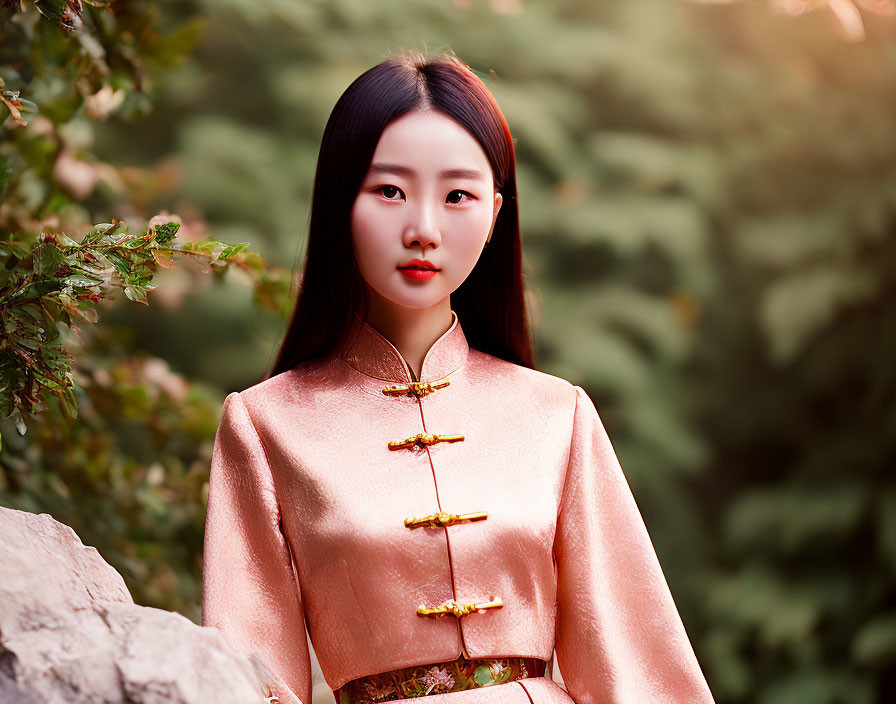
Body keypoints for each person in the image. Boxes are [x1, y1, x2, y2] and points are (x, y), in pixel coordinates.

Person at [201, 50, 715, 704]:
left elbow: (638, 665)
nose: (423, 229)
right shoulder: (266, 427)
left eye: (458, 195)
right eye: (389, 190)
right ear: (338, 202)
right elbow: (249, 680)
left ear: (495, 212)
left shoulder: (558, 416)